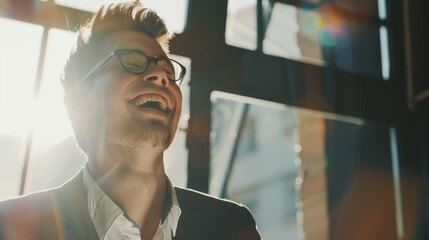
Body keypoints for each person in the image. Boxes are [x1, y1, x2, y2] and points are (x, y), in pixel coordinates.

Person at [0, 1, 260, 240]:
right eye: (133, 62)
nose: (161, 76)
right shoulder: (9, 226)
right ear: (80, 103)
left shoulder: (232, 227)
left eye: (169, 71)